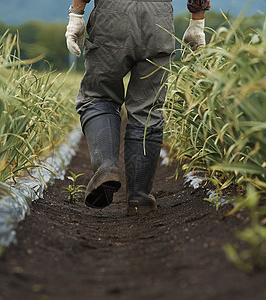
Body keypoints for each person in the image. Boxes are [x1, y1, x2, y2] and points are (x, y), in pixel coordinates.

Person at [65, 0, 210, 215]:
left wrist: (76, 14)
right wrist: (197, 21)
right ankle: (139, 196)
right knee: (148, 107)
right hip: (158, 19)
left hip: (111, 16)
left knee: (98, 96)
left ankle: (106, 167)